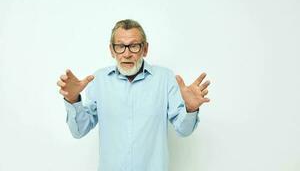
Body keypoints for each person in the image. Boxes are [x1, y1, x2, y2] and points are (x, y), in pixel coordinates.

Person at [57, 19, 211, 171]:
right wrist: (72, 100)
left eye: (134, 46)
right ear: (111, 50)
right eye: (120, 47)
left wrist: (190, 109)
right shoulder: (99, 80)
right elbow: (79, 131)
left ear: (145, 49)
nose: (127, 53)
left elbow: (183, 130)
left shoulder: (165, 79)